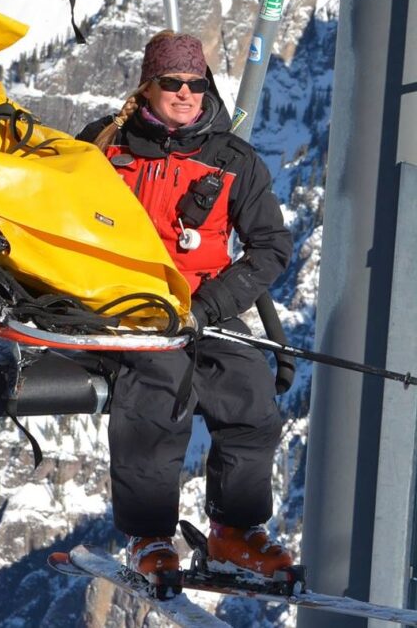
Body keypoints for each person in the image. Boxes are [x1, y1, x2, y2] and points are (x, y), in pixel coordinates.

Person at [77, 31, 295, 587]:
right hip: (126, 310)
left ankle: (233, 533)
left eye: (194, 84)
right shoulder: (104, 148)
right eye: (171, 83)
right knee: (159, 389)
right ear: (147, 87)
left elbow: (271, 247)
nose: (184, 93)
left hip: (205, 309)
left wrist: (210, 306)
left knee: (249, 392)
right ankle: (148, 535)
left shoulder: (232, 161)